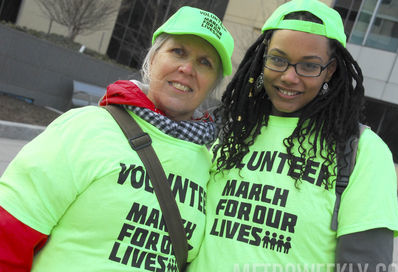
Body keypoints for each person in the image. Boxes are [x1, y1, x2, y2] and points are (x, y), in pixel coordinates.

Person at [0, 6, 233, 271]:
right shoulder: (86, 128)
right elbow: (9, 233)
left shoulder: (210, 165)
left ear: (214, 83)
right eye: (178, 51)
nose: (187, 68)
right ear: (153, 59)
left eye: (205, 63)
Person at [187, 0, 398, 271]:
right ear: (263, 58)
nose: (289, 76)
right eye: (278, 59)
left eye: (309, 66)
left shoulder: (364, 151)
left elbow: (365, 265)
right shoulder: (228, 129)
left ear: (330, 70)